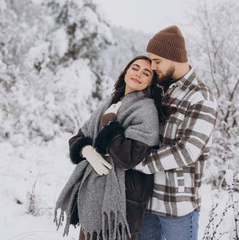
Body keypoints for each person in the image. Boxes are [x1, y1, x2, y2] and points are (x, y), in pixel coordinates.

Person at [54, 56, 165, 240]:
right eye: (135, 68)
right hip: (93, 198)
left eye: (146, 73)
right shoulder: (110, 102)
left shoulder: (146, 109)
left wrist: (110, 123)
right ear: (126, 71)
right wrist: (86, 151)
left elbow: (130, 156)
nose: (138, 74)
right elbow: (79, 137)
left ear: (151, 81)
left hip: (123, 202)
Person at [134, 26, 218, 240]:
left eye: (157, 61)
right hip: (147, 200)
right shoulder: (158, 90)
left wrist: (137, 161)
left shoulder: (201, 97)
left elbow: (186, 151)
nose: (152, 67)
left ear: (174, 57)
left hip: (177, 208)